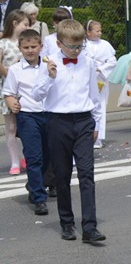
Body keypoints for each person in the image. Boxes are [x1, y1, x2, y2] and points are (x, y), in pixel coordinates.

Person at [31, 19, 105, 244]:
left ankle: (90, 227)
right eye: (71, 47)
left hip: (83, 120)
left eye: (79, 46)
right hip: (57, 121)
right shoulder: (50, 63)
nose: (75, 50)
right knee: (62, 175)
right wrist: (49, 78)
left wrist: (97, 124)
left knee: (87, 174)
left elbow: (95, 95)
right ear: (60, 43)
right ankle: (66, 222)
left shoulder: (89, 62)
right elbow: (36, 95)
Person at [3, 29, 49, 214]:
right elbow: (8, 92)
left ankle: (33, 183)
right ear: (20, 48)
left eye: (33, 46)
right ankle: (39, 197)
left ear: (41, 47)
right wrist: (11, 102)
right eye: (26, 47)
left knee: (48, 156)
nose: (30, 50)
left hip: (49, 114)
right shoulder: (15, 70)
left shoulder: (49, 66)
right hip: (28, 115)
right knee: (33, 156)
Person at [0, 11, 29, 175]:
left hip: (25, 89)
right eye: (25, 24)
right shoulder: (3, 43)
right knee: (11, 127)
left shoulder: (26, 43)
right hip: (8, 89)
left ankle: (27, 156)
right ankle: (15, 161)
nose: (28, 27)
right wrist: (9, 75)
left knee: (27, 126)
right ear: (15, 23)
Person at [84, 21, 116, 149]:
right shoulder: (84, 45)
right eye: (96, 31)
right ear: (88, 32)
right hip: (88, 77)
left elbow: (112, 61)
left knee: (100, 105)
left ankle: (98, 137)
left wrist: (101, 68)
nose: (99, 33)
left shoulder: (105, 44)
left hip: (101, 78)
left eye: (100, 31)